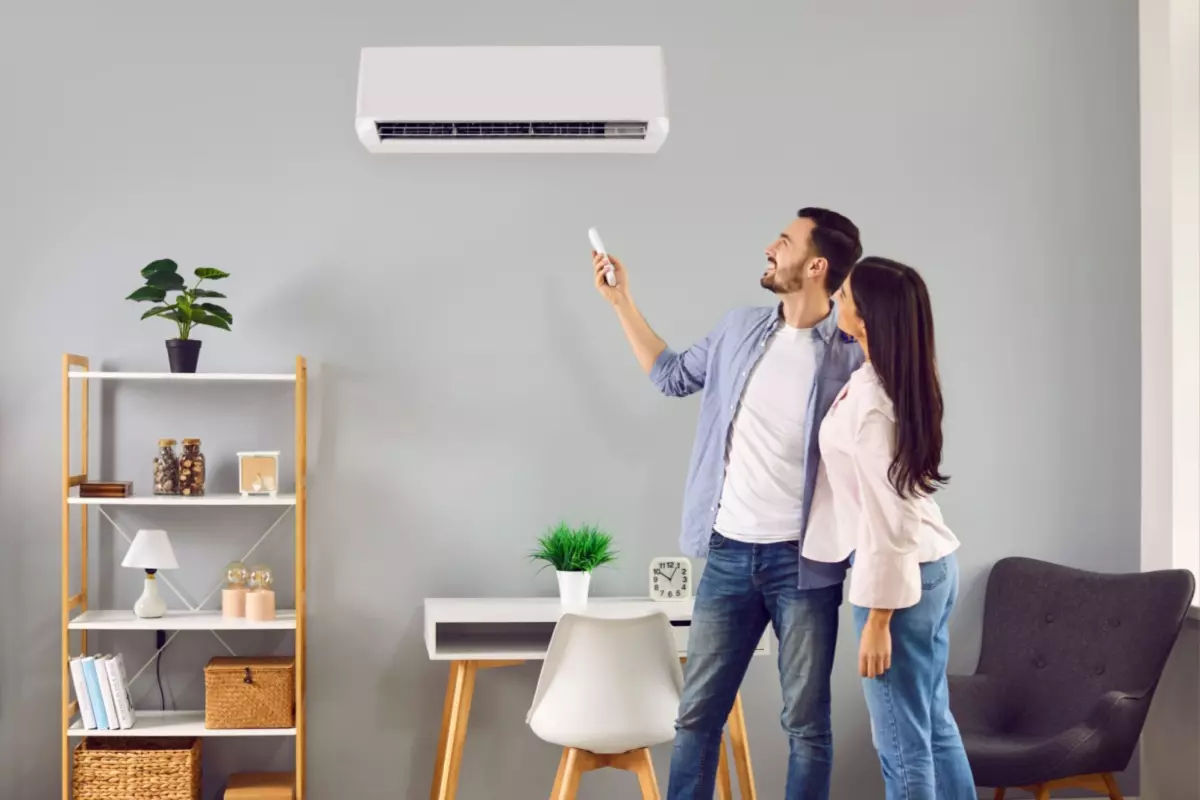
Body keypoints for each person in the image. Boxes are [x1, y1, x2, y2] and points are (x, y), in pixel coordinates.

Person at [592, 208, 864, 800]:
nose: (770, 247)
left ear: (817, 265)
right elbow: (669, 376)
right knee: (696, 719)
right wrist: (621, 302)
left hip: (805, 564)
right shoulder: (739, 329)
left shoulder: (852, 356)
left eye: (785, 241)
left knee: (807, 726)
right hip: (729, 555)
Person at [804, 256, 975, 799]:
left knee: (900, 741)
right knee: (931, 724)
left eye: (848, 295)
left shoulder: (877, 405)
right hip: (927, 568)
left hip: (898, 584)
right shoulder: (881, 379)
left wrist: (878, 618)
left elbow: (892, 518)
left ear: (869, 317)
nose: (839, 300)